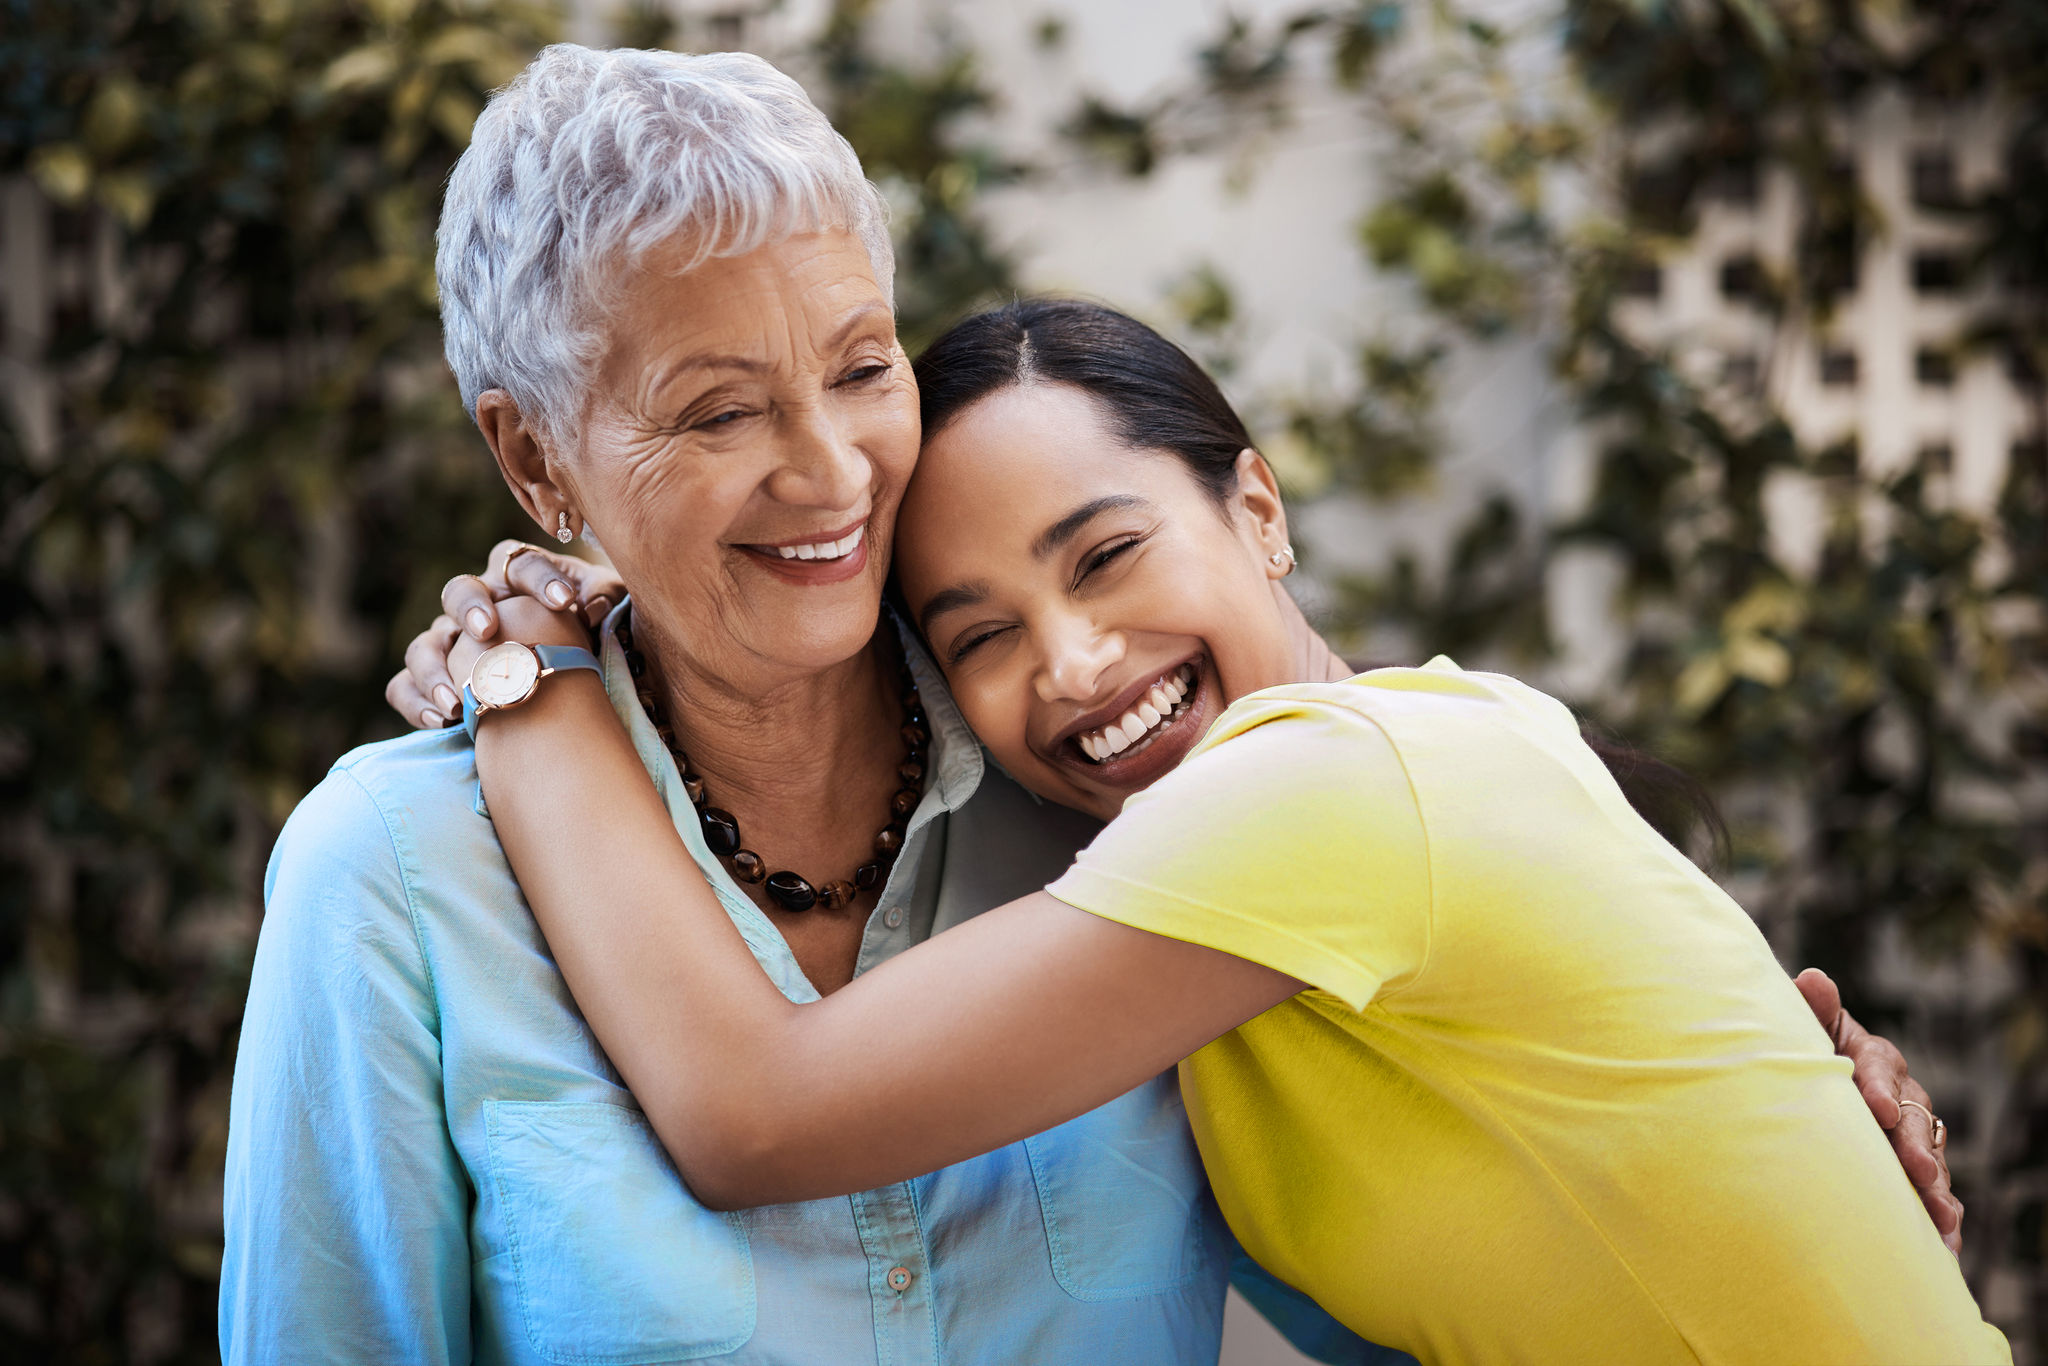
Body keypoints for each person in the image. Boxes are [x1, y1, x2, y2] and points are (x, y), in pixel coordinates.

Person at [414, 298, 2004, 1365]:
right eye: (981, 635)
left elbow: (752, 1114)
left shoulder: (1327, 792)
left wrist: (536, 681)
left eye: (1104, 555)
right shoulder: (1198, 904)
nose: (1074, 663)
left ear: (1257, 508)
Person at [225, 45, 1355, 1366]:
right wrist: (526, 678)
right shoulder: (391, 878)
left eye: (864, 368)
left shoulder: (1090, 770)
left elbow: (1425, 1277)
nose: (833, 473)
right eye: (718, 414)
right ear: (535, 459)